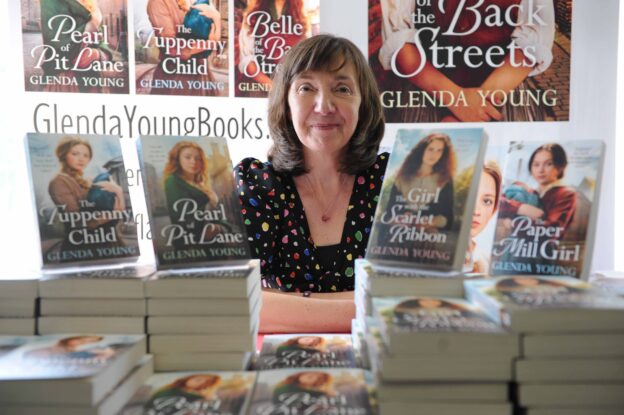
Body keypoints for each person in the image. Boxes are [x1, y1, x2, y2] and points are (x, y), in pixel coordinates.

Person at [235, 34, 387, 333]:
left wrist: (288, 304)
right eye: (306, 88)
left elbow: (416, 295)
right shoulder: (258, 186)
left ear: (363, 103)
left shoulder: (393, 181)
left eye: (342, 89)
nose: (324, 105)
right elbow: (237, 302)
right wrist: (365, 309)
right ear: (286, 101)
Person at [377, 0, 555, 122]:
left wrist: (476, 108)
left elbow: (530, 46)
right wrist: (455, 99)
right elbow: (399, 42)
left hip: (502, 84)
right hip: (430, 85)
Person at [48, 136, 125, 262]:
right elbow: (78, 222)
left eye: (86, 155)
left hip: (109, 242)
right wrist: (113, 214)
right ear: (63, 155)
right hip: (83, 247)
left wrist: (118, 191)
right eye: (75, 154)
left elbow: (116, 210)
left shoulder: (87, 181)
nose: (81, 159)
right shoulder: (59, 182)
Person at [146, 0, 222, 95]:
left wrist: (217, 18)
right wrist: (209, 43)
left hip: (202, 73)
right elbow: (172, 47)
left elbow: (213, 34)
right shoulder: (158, 2)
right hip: (174, 75)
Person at [499, 143, 577, 234]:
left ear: (560, 166)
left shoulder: (565, 194)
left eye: (548, 164)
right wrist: (520, 208)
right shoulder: (528, 191)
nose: (541, 170)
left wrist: (512, 223)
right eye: (536, 165)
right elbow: (497, 203)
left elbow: (551, 228)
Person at [236, 0, 310, 96]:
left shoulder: (301, 17)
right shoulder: (253, 17)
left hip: (294, 93)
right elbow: (247, 60)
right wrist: (275, 89)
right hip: (261, 92)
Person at [390, 132, 455, 230]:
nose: (434, 154)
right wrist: (400, 218)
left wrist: (432, 221)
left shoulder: (445, 180)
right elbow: (388, 213)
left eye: (439, 151)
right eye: (430, 149)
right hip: (397, 233)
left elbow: (448, 219)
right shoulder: (401, 178)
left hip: (428, 238)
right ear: (422, 150)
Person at [163, 140, 220, 250]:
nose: (193, 162)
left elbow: (216, 211)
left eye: (198, 158)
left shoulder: (201, 182)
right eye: (187, 157)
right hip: (192, 243)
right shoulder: (173, 181)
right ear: (177, 160)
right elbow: (181, 216)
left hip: (213, 240)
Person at [464, 160, 502, 273]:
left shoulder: (488, 265)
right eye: (468, 196)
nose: (476, 211)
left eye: (487, 201)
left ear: (494, 209)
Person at [145, 374, 222, 410]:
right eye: (198, 379)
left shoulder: (192, 395)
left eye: (204, 384)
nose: (199, 383)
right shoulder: (173, 390)